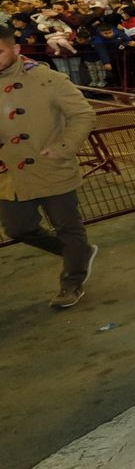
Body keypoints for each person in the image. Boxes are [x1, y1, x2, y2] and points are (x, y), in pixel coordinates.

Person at [0, 24, 98, 309]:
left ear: (16, 50)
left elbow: (83, 114)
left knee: (68, 227)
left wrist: (64, 147)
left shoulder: (48, 79)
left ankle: (72, 280)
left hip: (51, 165)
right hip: (10, 173)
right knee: (18, 229)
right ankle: (78, 253)